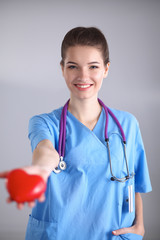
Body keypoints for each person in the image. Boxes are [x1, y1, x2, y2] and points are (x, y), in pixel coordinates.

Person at [0, 27, 152, 240]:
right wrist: (39, 171)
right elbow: (45, 152)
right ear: (62, 68)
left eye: (93, 66)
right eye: (73, 66)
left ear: (106, 69)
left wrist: (140, 226)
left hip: (112, 235)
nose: (83, 76)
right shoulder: (44, 123)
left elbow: (133, 182)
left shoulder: (128, 124)